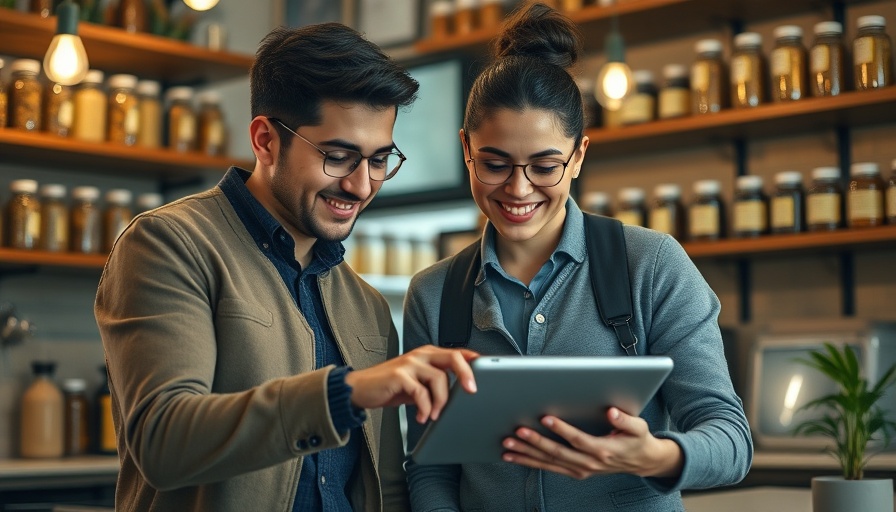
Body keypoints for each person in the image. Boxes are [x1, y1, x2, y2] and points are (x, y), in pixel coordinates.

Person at [94, 23, 477, 512]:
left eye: (379, 160)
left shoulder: (368, 305)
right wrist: (346, 393)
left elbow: (385, 489)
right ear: (266, 140)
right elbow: (163, 441)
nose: (361, 186)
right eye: (338, 158)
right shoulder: (169, 245)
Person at [402, 4, 753, 511]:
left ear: (579, 155)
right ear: (466, 149)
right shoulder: (433, 296)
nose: (518, 189)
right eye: (495, 164)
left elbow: (730, 439)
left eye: (545, 166)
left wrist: (652, 454)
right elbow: (431, 465)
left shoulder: (651, 265)